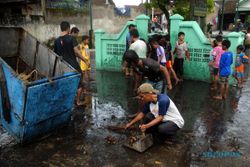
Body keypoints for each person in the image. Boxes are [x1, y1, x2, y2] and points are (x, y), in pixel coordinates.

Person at [54, 21, 88, 106]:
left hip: (63, 66)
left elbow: (56, 55)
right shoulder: (71, 38)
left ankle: (67, 101)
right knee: (79, 82)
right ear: (68, 28)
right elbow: (76, 52)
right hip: (73, 64)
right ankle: (78, 101)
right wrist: (84, 59)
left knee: (67, 83)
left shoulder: (56, 41)